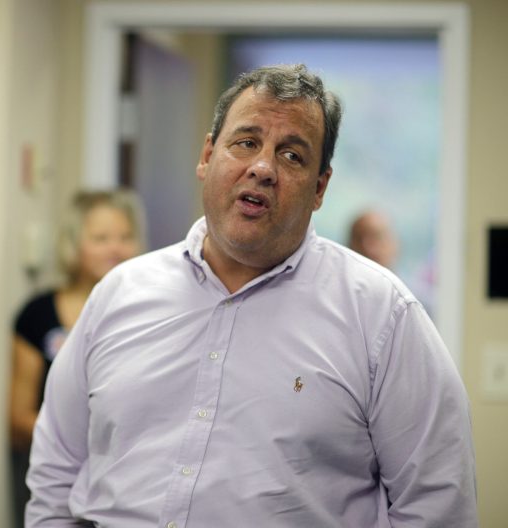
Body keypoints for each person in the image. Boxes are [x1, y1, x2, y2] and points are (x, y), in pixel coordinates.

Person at [25, 64, 477, 527]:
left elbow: (437, 502)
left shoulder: (383, 316)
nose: (262, 168)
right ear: (207, 155)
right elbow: (58, 467)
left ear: (320, 188)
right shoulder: (119, 294)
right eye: (246, 143)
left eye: (292, 156)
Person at [9, 190, 143, 527]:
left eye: (125, 237)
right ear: (73, 244)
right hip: (55, 477)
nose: (116, 248)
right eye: (100, 238)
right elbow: (18, 417)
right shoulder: (38, 315)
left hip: (128, 483)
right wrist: (81, 433)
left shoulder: (149, 315)